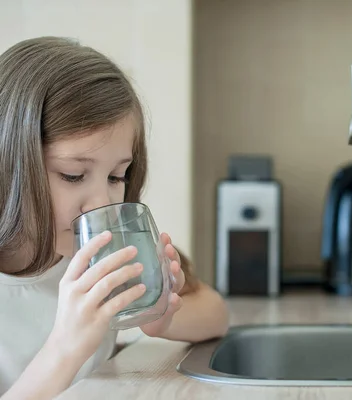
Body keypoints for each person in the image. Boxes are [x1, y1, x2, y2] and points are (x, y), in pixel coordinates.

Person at [0, 36, 230, 399]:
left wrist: (161, 317)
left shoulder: (98, 257)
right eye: (72, 175)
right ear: (9, 164)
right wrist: (65, 346)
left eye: (116, 176)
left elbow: (216, 313)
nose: (100, 204)